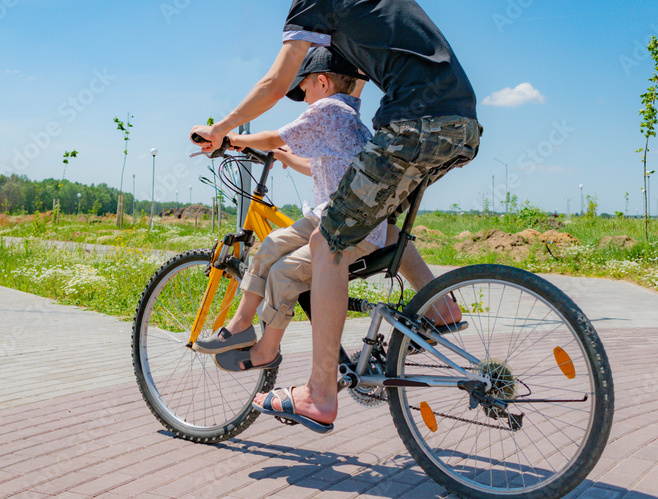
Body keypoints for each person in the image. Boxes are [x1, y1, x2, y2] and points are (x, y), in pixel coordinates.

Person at [190, 0, 480, 433]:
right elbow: (359, 74)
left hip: (414, 123)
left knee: (328, 243)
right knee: (377, 214)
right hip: (460, 125)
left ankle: (320, 393)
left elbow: (278, 79)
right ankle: (441, 310)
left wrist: (222, 130)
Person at [193, 48, 461, 375]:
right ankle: (241, 325)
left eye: (304, 89)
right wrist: (286, 158)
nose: (303, 97)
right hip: (344, 216)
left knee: (279, 265)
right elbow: (329, 166)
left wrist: (232, 138)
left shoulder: (327, 110)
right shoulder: (349, 119)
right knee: (273, 245)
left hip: (341, 223)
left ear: (322, 82)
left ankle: (261, 344)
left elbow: (276, 136)